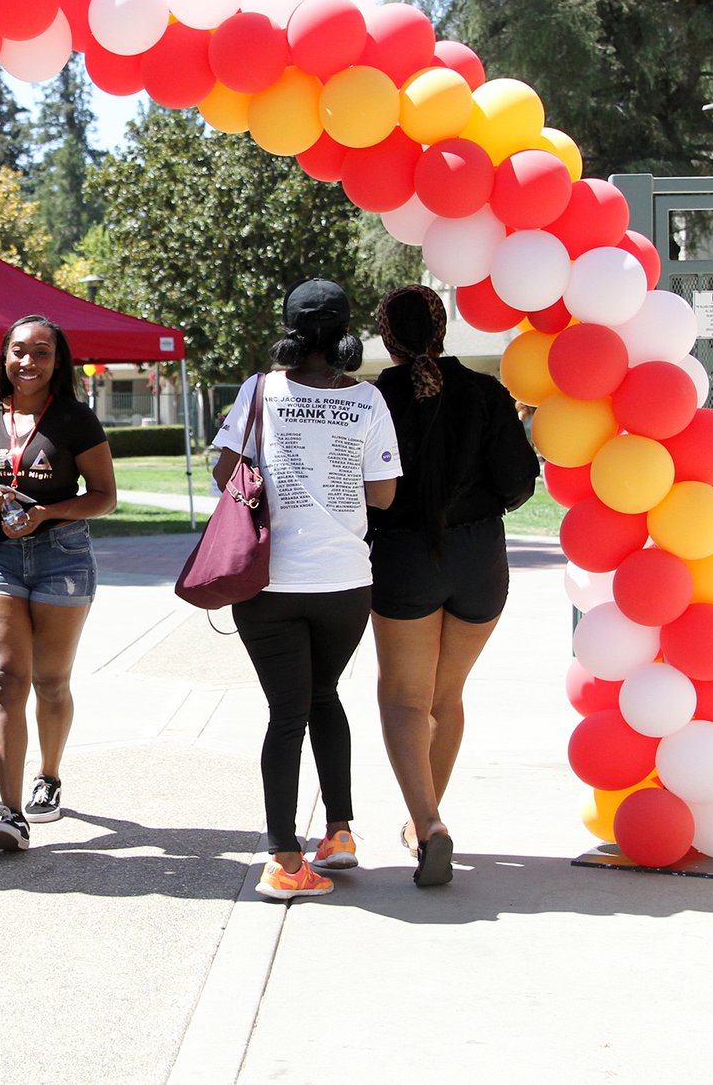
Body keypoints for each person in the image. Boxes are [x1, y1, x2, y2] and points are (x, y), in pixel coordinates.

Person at [211, 279, 399, 901]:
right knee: (324, 695)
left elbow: (224, 471)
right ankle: (339, 833)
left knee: (287, 712)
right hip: (345, 581)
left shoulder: (259, 391)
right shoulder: (368, 400)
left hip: (267, 582)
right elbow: (383, 493)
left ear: (290, 327)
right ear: (345, 330)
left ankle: (285, 860)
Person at [367, 284, 539, 887]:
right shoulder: (487, 393)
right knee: (447, 696)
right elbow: (520, 483)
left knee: (404, 698)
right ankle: (425, 823)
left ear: (387, 338)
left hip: (404, 557)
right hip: (478, 558)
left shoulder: (373, 399)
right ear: (442, 329)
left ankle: (429, 821)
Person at [0, 315, 116, 852]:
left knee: (50, 681)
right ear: (3, 357)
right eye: (19, 350)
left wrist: (46, 514)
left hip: (61, 556)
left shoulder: (75, 418)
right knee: (4, 680)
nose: (28, 361)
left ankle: (49, 776)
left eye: (42, 352)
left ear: (57, 362)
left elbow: (105, 495)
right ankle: (10, 811)